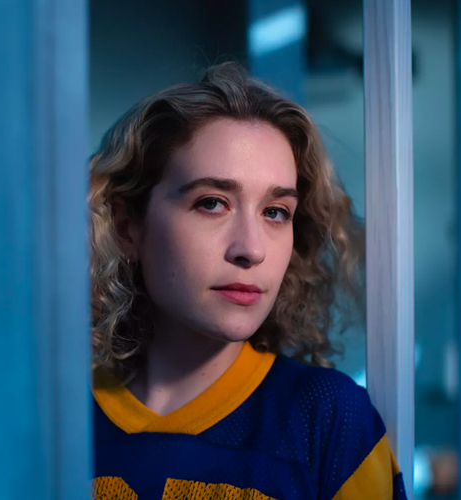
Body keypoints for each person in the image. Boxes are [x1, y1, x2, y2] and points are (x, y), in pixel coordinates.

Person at [89, 62, 407, 500]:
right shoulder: (53, 420)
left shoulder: (329, 420)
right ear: (128, 228)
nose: (252, 249)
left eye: (275, 212)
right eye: (213, 203)